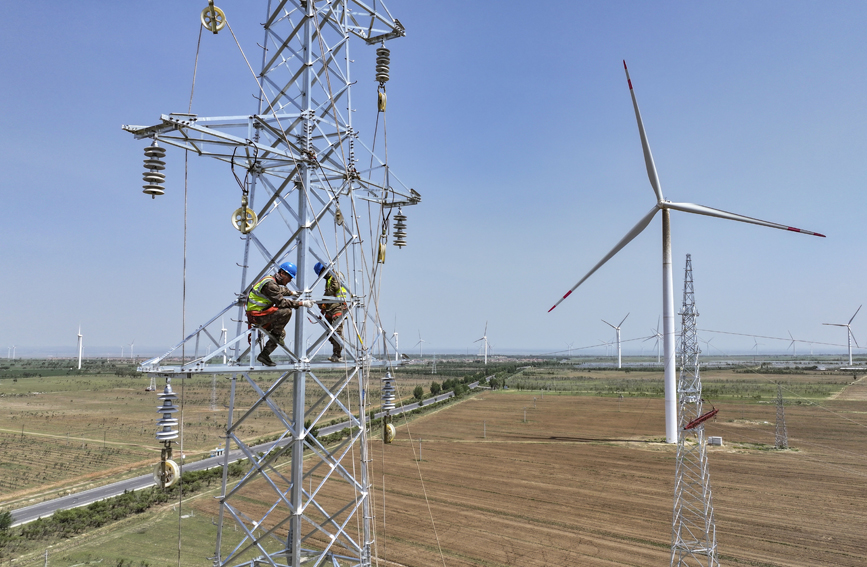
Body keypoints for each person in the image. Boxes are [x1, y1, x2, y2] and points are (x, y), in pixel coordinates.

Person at [246, 262, 311, 366]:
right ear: (282, 273)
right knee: (286, 311)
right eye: (289, 277)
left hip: (261, 314)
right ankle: (276, 335)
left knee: (281, 334)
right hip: (257, 316)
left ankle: (264, 355)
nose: (290, 280)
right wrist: (301, 303)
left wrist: (291, 293)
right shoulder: (270, 284)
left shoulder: (270, 281)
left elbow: (279, 289)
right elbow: (281, 302)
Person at [314, 262, 349, 362]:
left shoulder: (336, 275)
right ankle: (336, 353)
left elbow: (334, 288)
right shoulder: (329, 279)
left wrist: (323, 300)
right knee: (329, 332)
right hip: (331, 309)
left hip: (338, 308)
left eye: (321, 274)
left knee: (336, 332)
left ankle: (337, 354)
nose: (322, 277)